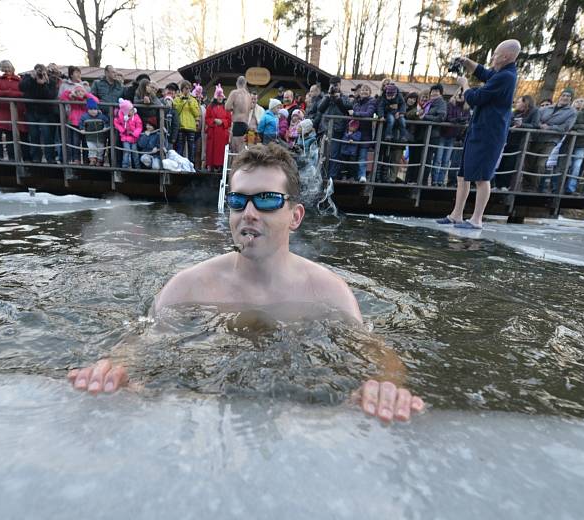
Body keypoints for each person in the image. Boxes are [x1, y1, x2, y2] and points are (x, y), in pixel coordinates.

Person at [68, 143, 425, 424]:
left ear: (295, 215)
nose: (249, 213)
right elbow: (143, 342)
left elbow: (376, 354)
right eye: (239, 201)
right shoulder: (188, 287)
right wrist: (115, 368)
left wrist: (386, 385)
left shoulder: (328, 293)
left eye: (267, 200)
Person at [436, 39, 521, 229]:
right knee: (463, 175)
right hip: (478, 129)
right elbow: (485, 73)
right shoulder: (500, 74)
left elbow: (476, 98)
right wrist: (467, 62)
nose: (492, 57)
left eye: (496, 54)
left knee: (482, 178)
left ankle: (476, 219)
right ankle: (456, 215)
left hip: (490, 133)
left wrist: (465, 85)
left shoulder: (507, 76)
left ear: (506, 56)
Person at [524, 88, 576, 192]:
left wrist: (550, 127)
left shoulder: (572, 112)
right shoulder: (547, 108)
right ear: (559, 96)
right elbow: (536, 118)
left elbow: (566, 127)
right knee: (529, 162)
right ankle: (525, 185)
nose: (565, 97)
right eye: (563, 95)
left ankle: (534, 188)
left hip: (551, 140)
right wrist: (539, 125)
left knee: (541, 164)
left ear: (571, 99)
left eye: (568, 96)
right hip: (536, 138)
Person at [494, 94, 538, 191]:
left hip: (521, 141)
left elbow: (535, 125)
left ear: (525, 103)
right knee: (503, 162)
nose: (516, 104)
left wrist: (522, 125)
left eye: (518, 102)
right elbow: (508, 121)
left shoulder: (534, 111)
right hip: (510, 140)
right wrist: (512, 124)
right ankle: (497, 184)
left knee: (511, 163)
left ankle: (505, 185)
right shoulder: (515, 112)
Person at [19, 63, 60, 164]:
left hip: (45, 113)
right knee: (34, 135)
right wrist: (32, 79)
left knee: (47, 135)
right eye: (38, 71)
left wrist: (44, 84)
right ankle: (36, 158)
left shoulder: (51, 81)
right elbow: (21, 87)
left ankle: (50, 158)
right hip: (31, 111)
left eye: (42, 71)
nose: (40, 73)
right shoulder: (28, 78)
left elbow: (50, 96)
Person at [0, 60, 30, 161]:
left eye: (8, 67)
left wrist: (8, 93)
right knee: (9, 136)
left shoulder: (19, 80)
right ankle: (12, 158)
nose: (7, 69)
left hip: (19, 111)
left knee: (23, 135)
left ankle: (26, 158)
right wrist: (11, 93)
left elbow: (23, 93)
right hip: (5, 112)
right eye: (4, 67)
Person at [60, 84, 99, 164]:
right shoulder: (72, 98)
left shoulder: (87, 98)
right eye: (78, 91)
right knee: (75, 142)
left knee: (86, 143)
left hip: (85, 123)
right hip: (74, 123)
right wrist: (72, 93)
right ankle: (75, 159)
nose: (80, 93)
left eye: (81, 91)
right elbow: (62, 97)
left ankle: (86, 159)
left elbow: (96, 101)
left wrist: (86, 94)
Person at [422, 84, 449, 186]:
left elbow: (440, 117)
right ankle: (421, 179)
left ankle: (424, 181)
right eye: (433, 91)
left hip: (433, 135)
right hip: (425, 133)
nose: (434, 93)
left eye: (437, 91)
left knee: (428, 159)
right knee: (424, 158)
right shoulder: (429, 103)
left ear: (441, 93)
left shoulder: (441, 103)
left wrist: (425, 117)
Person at [351, 84, 377, 182]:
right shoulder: (356, 103)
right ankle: (354, 175)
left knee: (362, 156)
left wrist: (355, 114)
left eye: (366, 90)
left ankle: (362, 175)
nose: (364, 92)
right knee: (353, 155)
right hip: (355, 132)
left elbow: (369, 114)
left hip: (365, 134)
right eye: (362, 90)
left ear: (370, 93)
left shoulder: (372, 102)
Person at [205, 84, 231, 171]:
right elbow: (207, 119)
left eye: (221, 96)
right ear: (216, 96)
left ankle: (221, 167)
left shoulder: (226, 108)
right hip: (212, 132)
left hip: (222, 134)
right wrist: (214, 120)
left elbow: (229, 120)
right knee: (211, 150)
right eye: (218, 96)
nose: (220, 98)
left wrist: (222, 122)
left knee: (221, 151)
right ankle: (211, 166)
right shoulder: (210, 107)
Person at [78, 97, 111, 166]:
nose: (93, 111)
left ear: (97, 109)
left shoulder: (102, 116)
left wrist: (105, 127)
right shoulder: (85, 117)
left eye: (95, 109)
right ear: (88, 110)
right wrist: (82, 129)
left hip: (100, 138)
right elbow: (81, 123)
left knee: (100, 150)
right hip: (90, 137)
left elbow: (107, 122)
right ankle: (92, 160)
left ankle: (99, 160)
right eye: (91, 109)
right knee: (91, 149)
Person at [174, 80, 200, 163]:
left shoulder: (193, 100)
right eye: (186, 88)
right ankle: (179, 164)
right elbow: (176, 111)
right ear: (182, 89)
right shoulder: (177, 99)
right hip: (181, 126)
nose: (187, 90)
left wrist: (190, 103)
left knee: (191, 147)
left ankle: (191, 164)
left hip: (191, 127)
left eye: (189, 88)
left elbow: (197, 113)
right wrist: (182, 101)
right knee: (180, 147)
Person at [225, 75, 252, 155]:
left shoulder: (234, 93)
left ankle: (237, 167)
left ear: (237, 83)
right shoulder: (249, 95)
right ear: (245, 84)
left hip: (238, 123)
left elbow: (227, 107)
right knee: (244, 149)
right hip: (246, 124)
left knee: (236, 151)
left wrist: (234, 108)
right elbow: (249, 108)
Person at [114, 98, 142, 169]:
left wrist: (134, 133)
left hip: (134, 138)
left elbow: (139, 126)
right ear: (126, 111)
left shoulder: (136, 116)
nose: (132, 111)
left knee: (135, 152)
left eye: (132, 109)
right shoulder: (121, 116)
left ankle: (137, 167)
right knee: (126, 152)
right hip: (125, 137)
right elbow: (116, 123)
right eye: (130, 110)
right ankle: (124, 167)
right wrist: (123, 130)